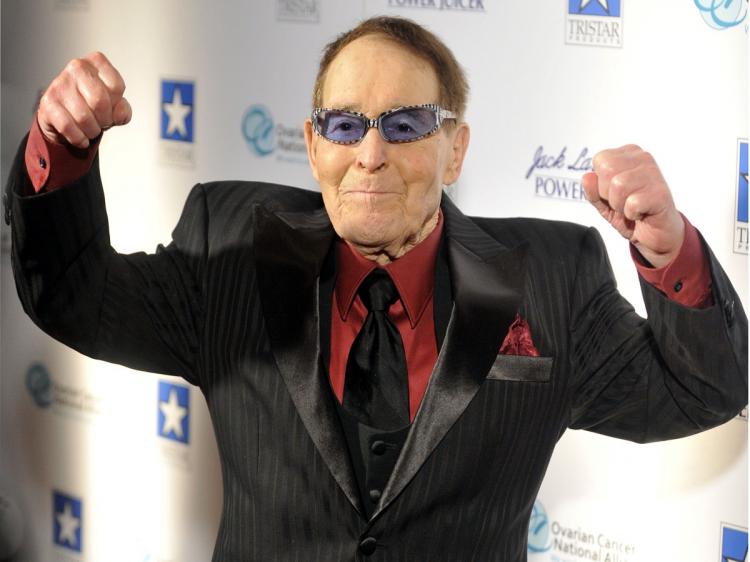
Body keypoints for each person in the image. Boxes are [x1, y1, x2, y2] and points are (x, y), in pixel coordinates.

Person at [4, 16, 747, 562]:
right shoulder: (228, 245)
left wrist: (669, 251)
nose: (370, 154)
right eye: (344, 123)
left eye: (405, 124)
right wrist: (62, 150)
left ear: (455, 149)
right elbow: (73, 295)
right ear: (313, 139)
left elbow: (703, 392)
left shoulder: (554, 272)